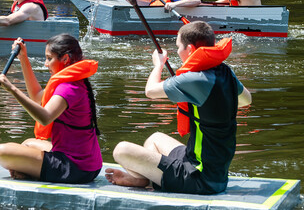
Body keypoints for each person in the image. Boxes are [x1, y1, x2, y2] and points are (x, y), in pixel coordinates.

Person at [105, 21, 252, 194]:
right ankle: (143, 179)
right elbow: (246, 100)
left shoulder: (194, 79)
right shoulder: (225, 72)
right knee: (154, 138)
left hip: (200, 179)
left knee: (121, 150)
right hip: (210, 170)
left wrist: (158, 65)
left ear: (189, 49)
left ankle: (145, 180)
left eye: (178, 47)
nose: (177, 51)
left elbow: (150, 91)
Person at [0, 34, 102, 183]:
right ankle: (31, 172)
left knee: (1, 152)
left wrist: (12, 89)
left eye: (49, 58)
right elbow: (38, 96)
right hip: (86, 165)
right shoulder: (73, 82)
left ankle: (32, 173)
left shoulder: (69, 88)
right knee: (28, 144)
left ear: (65, 59)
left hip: (76, 168)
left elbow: (45, 117)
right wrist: (23, 58)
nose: (45, 64)